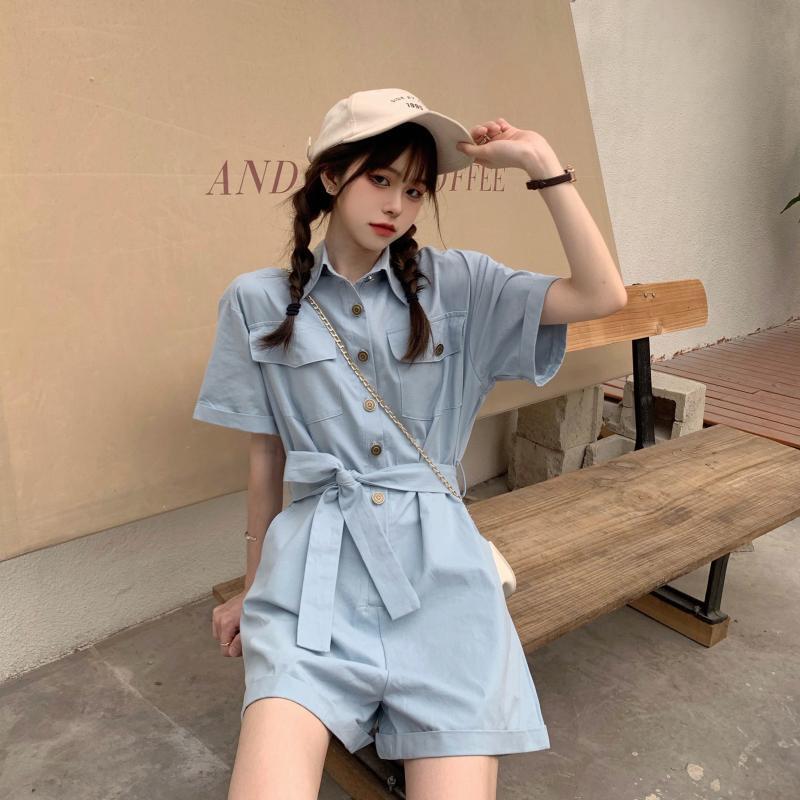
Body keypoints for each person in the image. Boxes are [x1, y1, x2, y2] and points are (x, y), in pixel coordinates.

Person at [194, 87, 627, 800]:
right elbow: (266, 456)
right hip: (314, 575)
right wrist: (253, 584)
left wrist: (541, 162)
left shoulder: (460, 286)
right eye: (380, 178)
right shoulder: (257, 300)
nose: (396, 204)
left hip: (441, 575)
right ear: (331, 176)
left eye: (416, 189)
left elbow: (602, 295)